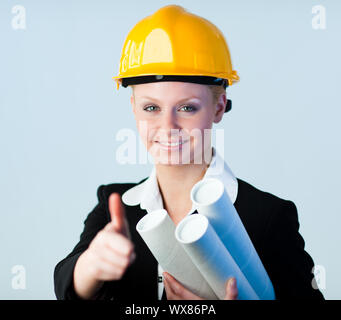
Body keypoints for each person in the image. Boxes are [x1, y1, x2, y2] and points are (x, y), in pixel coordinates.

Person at [54, 5, 324, 300]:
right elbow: (67, 286)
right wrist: (91, 266)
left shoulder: (267, 216)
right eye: (151, 108)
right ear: (133, 109)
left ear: (219, 107)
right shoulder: (115, 205)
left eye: (187, 108)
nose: (168, 126)